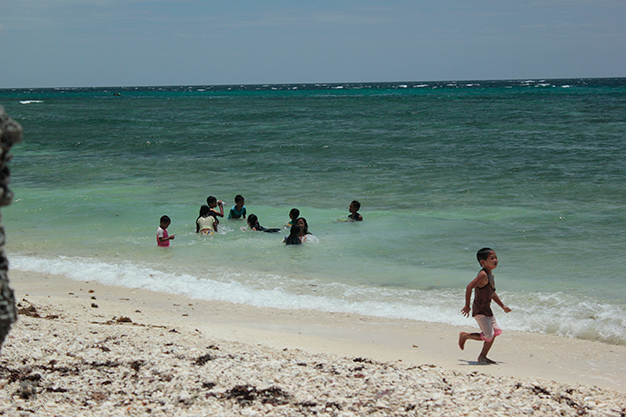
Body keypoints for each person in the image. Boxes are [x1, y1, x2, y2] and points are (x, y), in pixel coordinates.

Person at [458, 248, 511, 364]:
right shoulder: (482, 275)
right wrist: (467, 305)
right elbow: (469, 287)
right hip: (480, 310)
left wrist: (502, 306)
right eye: (492, 258)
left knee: (496, 331)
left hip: (487, 310)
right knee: (488, 335)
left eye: (496, 257)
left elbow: (491, 293)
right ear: (483, 262)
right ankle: (465, 336)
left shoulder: (490, 275)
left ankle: (483, 357)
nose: (495, 260)